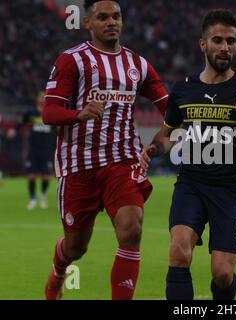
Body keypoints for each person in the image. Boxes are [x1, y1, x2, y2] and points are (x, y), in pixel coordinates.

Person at [140, 9, 236, 300]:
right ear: (203, 44)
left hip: (231, 191)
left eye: (230, 41)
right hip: (191, 185)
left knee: (222, 274)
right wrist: (152, 149)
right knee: (178, 251)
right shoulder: (183, 90)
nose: (224, 47)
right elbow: (166, 135)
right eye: (217, 40)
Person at [42, 0, 168, 300]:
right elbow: (49, 113)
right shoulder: (71, 60)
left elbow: (171, 108)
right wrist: (80, 114)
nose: (111, 22)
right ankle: (58, 272)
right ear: (88, 23)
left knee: (131, 230)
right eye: (103, 17)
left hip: (123, 162)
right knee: (76, 248)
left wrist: (166, 137)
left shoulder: (138, 64)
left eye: (116, 16)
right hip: (79, 166)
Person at [9, 91, 57, 209]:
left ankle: (42, 194)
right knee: (31, 176)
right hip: (33, 149)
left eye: (45, 97)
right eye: (41, 97)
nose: (43, 99)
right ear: (37, 99)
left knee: (46, 177)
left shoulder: (51, 113)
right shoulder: (31, 113)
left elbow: (58, 127)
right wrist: (14, 130)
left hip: (47, 149)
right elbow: (20, 123)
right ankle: (32, 199)